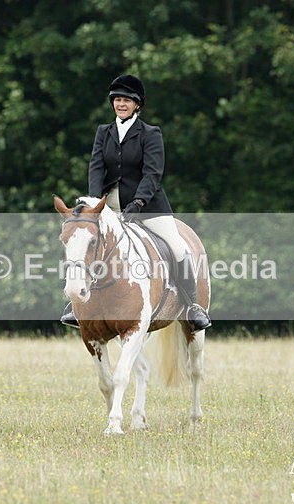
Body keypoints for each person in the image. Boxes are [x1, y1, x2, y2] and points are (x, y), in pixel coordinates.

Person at [61, 74, 211, 331]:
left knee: (178, 248)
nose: (121, 104)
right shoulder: (103, 133)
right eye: (117, 100)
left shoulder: (151, 134)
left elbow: (153, 173)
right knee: (84, 243)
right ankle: (78, 304)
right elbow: (96, 168)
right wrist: (96, 204)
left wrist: (139, 202)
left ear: (137, 104)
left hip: (148, 205)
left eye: (126, 100)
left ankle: (193, 305)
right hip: (110, 206)